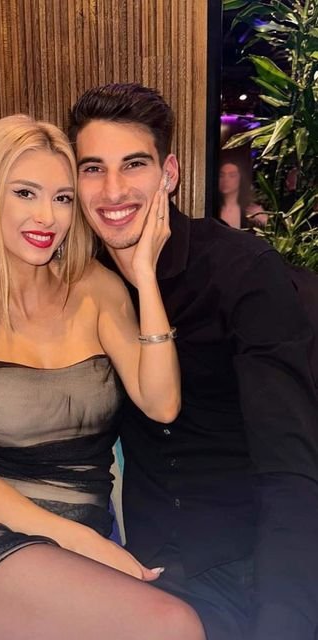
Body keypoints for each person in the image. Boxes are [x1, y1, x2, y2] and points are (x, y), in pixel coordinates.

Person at [0, 114, 205, 640]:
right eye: (25, 193)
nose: (47, 216)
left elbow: (162, 403)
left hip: (72, 541)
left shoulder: (96, 289)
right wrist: (86, 544)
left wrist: (144, 277)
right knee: (173, 625)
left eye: (62, 198)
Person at [68, 83, 318, 640]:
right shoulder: (82, 290)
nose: (112, 190)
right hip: (148, 566)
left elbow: (290, 463)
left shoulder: (240, 271)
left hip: (252, 556)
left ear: (169, 173)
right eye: (93, 169)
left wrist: (287, 616)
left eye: (134, 164)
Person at [218, 158, 267, 229]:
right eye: (221, 175)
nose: (226, 179)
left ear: (241, 179)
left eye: (232, 175)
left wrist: (264, 219)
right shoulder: (210, 208)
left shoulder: (252, 210)